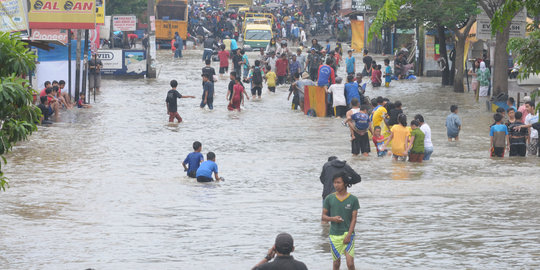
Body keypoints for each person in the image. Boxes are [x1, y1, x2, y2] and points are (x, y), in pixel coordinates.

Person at [322, 172, 360, 270]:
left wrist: (349, 235)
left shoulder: (353, 199)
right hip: (334, 235)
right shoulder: (329, 198)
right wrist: (333, 219)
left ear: (345, 183)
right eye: (334, 182)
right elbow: (323, 217)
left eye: (338, 182)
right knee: (336, 264)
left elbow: (354, 219)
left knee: (350, 263)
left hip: (348, 234)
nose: (336, 185)